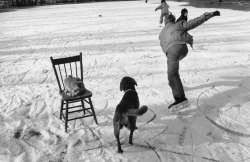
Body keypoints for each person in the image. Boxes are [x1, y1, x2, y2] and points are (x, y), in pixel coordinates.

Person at [158, 11, 220, 110]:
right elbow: (194, 22)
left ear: (165, 22)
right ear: (173, 20)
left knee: (172, 75)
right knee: (171, 77)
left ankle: (180, 98)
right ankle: (179, 98)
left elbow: (163, 46)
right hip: (182, 49)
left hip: (172, 52)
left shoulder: (161, 34)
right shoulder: (178, 24)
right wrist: (208, 15)